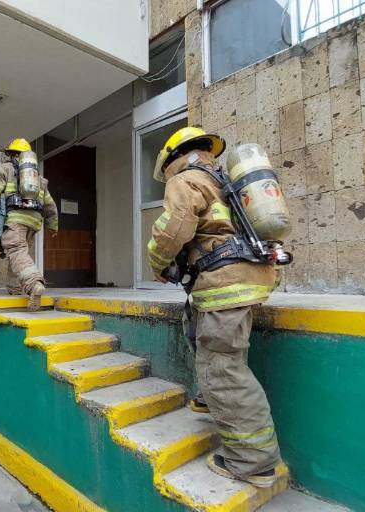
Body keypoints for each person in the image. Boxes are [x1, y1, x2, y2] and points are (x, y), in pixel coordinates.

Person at [147, 127, 281, 488]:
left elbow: (173, 229)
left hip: (226, 280)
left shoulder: (186, 179)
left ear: (173, 158)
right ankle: (208, 397)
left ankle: (253, 461)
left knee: (223, 368)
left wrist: (157, 262)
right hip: (249, 274)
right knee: (195, 325)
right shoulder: (224, 181)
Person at [0, 138, 58, 311]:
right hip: (34, 222)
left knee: (15, 249)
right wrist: (53, 226)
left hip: (15, 218)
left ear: (11, 154)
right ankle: (14, 287)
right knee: (18, 252)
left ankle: (34, 283)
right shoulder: (39, 179)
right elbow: (50, 205)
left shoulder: (4, 169)